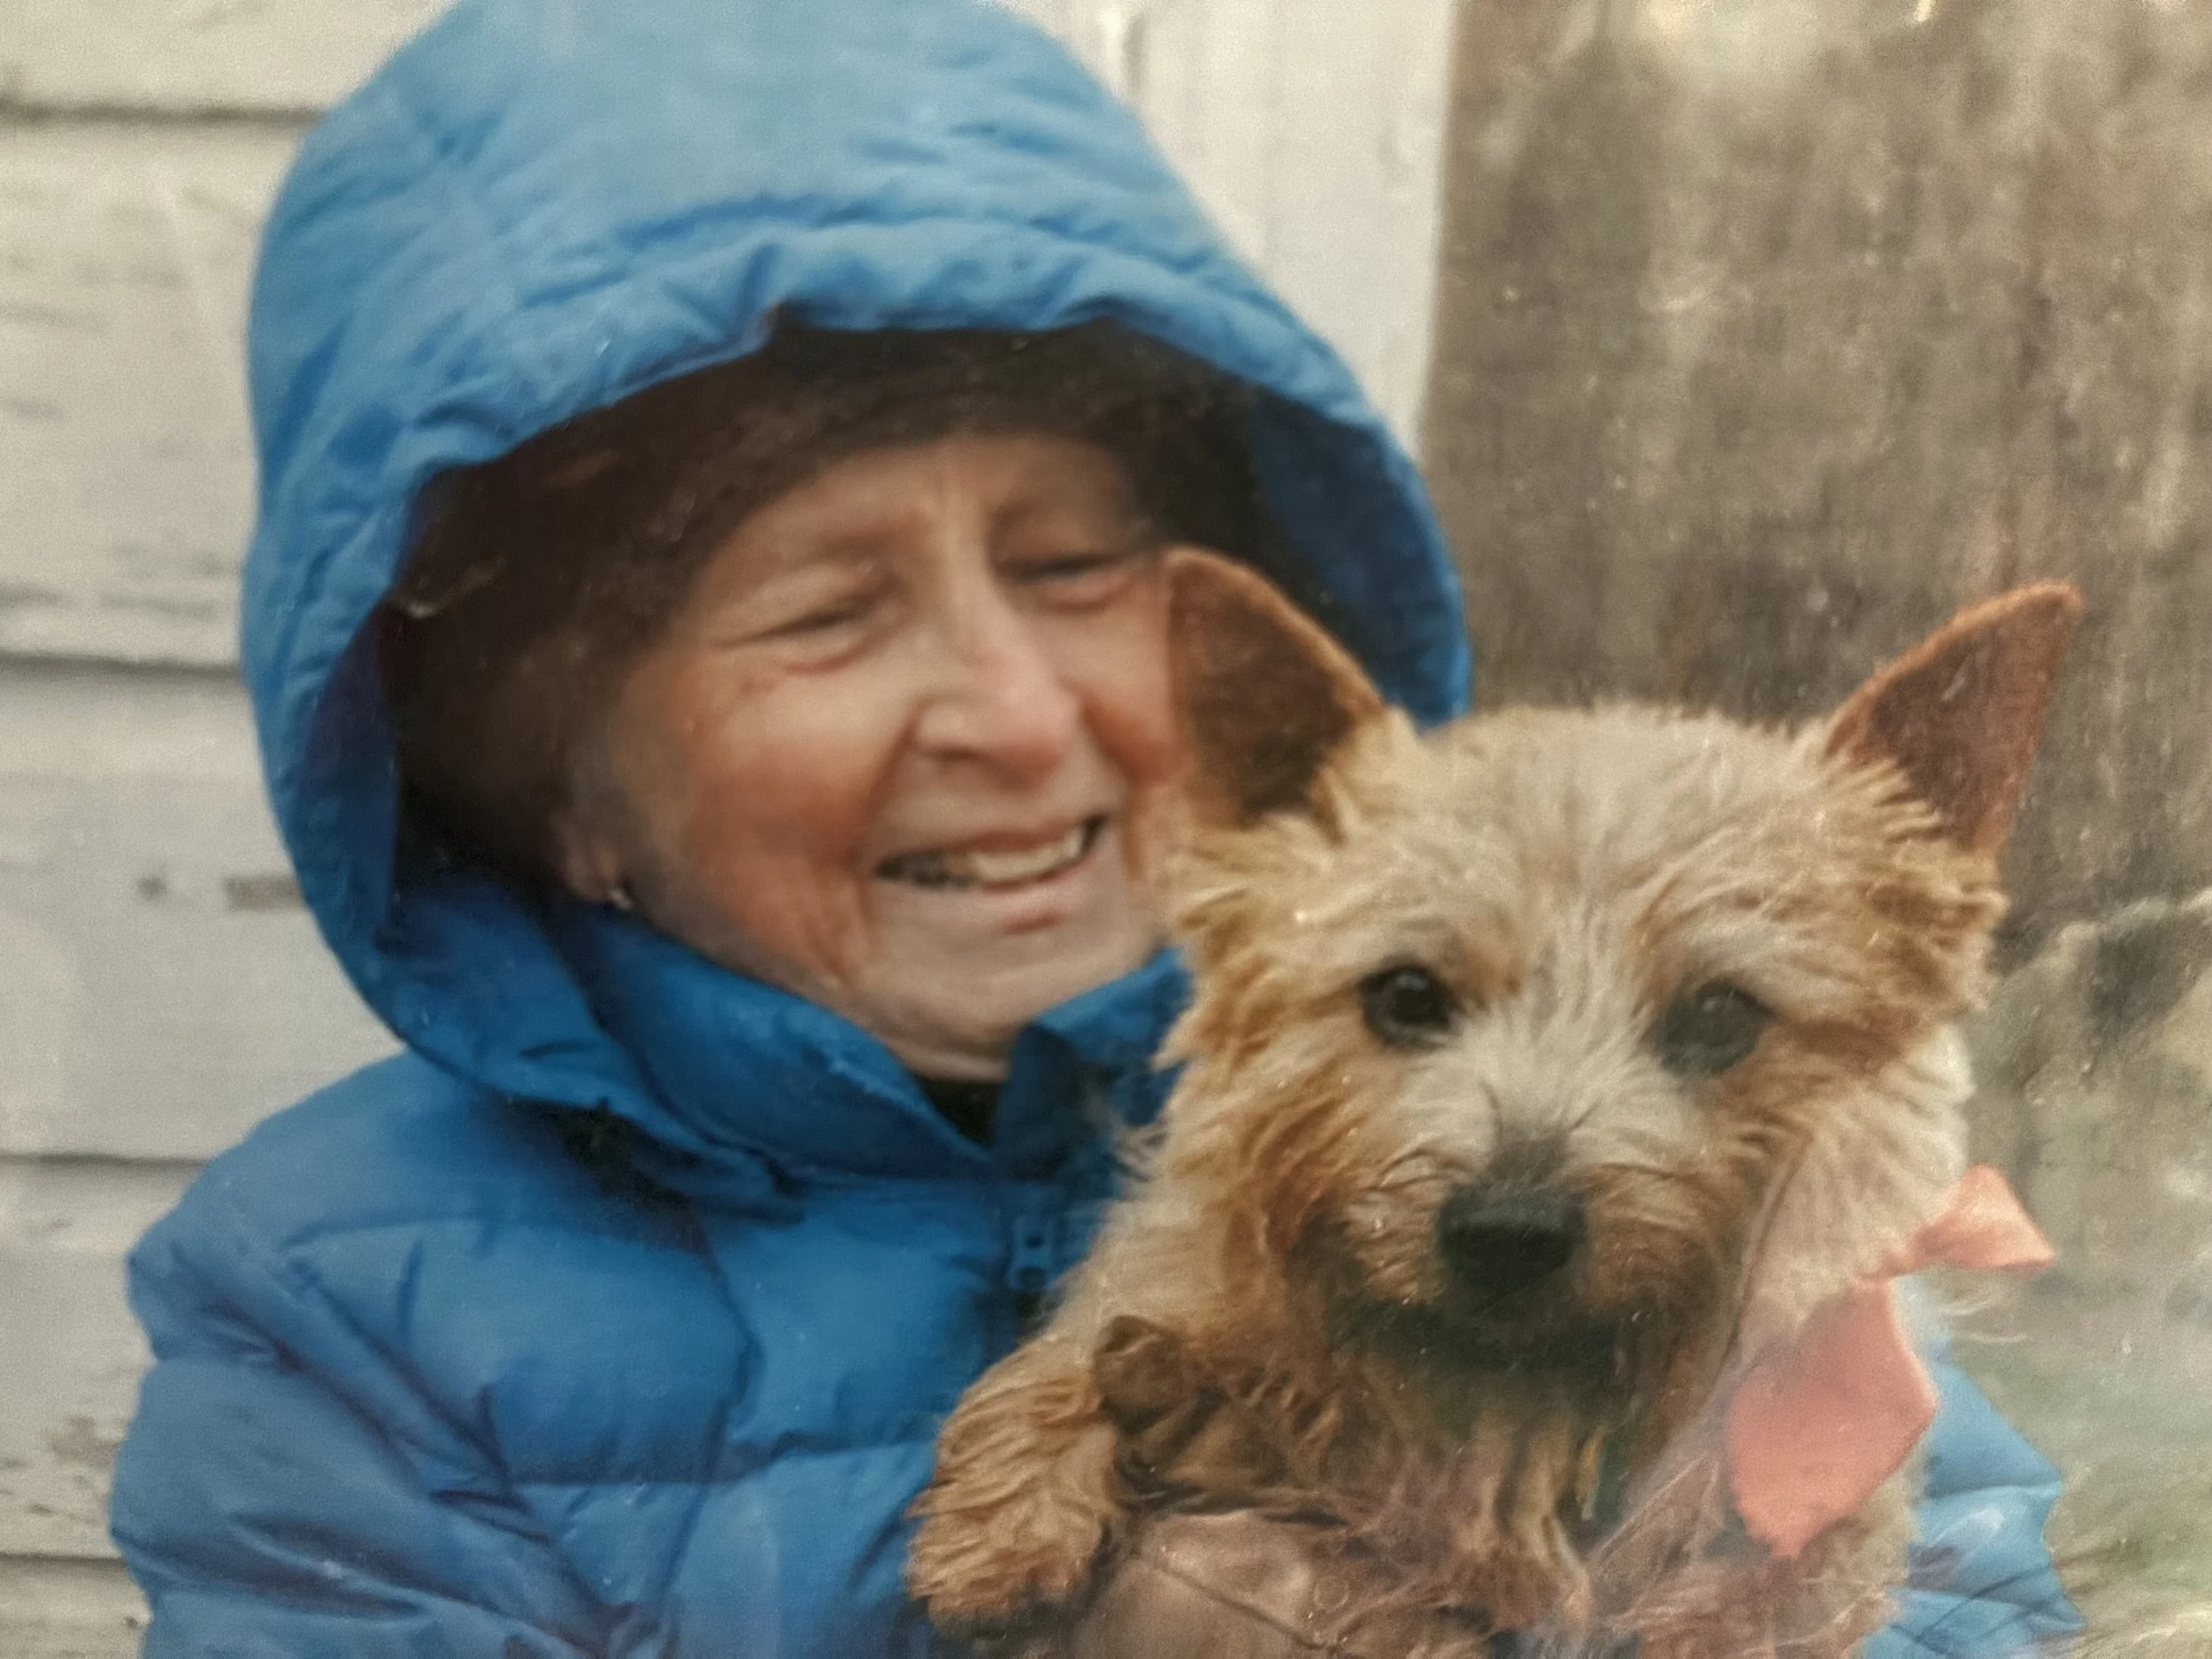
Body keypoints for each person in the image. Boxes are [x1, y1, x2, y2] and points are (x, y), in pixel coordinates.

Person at [105, 0, 2079, 1654]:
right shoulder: (344, 1317)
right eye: (827, 614)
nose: (1015, 710)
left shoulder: (1747, 1230)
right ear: (560, 792)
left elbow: (1975, 1589)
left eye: (1075, 569)